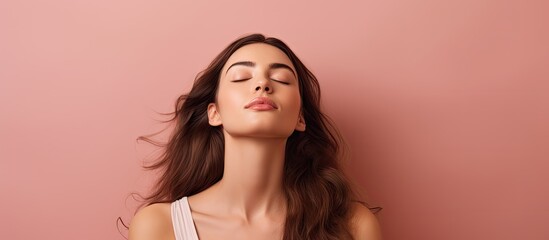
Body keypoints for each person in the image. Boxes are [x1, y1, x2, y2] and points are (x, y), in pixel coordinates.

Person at [128, 33, 381, 240]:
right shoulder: (160, 227)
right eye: (241, 78)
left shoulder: (354, 226)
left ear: (300, 118)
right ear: (214, 113)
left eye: (281, 79)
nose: (262, 84)